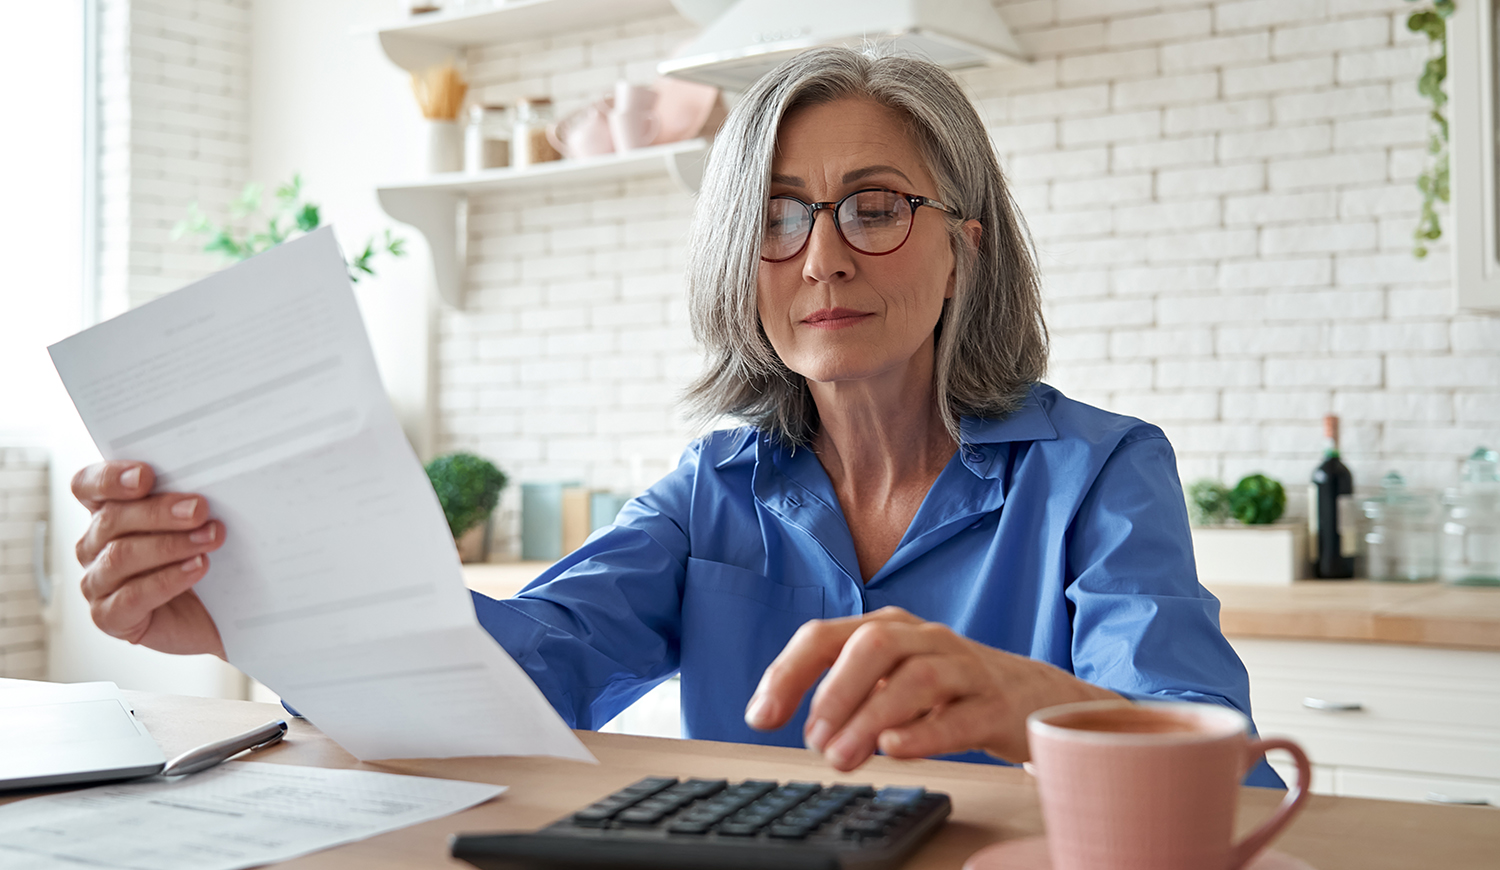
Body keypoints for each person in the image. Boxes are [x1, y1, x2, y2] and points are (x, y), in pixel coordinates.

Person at [69, 47, 1281, 785]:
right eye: (776, 216)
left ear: (962, 248)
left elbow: (1214, 755)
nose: (820, 260)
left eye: (872, 208)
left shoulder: (1100, 473)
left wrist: (1024, 702)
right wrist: (254, 610)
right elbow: (521, 673)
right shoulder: (715, 489)